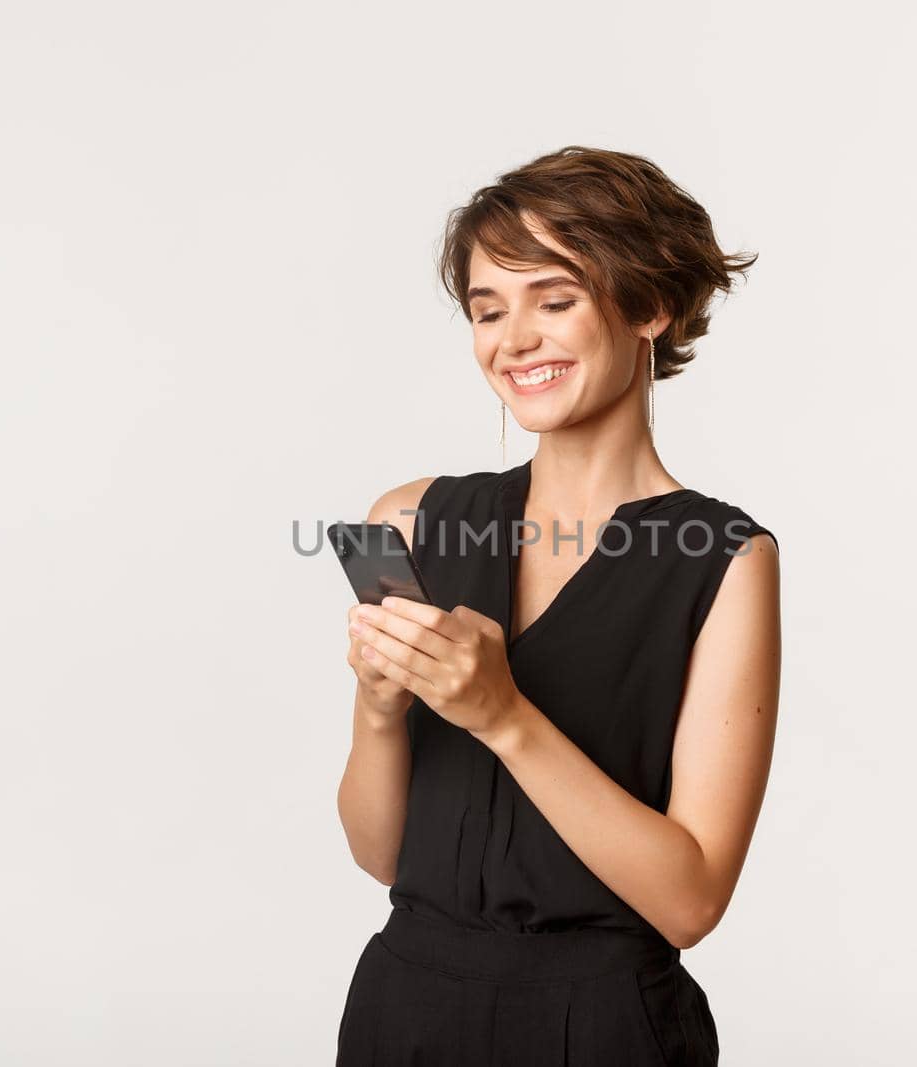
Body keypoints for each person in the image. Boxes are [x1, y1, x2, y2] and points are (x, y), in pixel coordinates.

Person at [334, 145, 781, 1067]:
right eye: (487, 309)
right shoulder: (411, 521)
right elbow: (382, 857)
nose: (513, 338)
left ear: (650, 306)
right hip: (403, 1015)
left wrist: (502, 717)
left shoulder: (726, 558)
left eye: (555, 299)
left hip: (605, 1028)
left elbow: (691, 902)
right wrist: (381, 712)